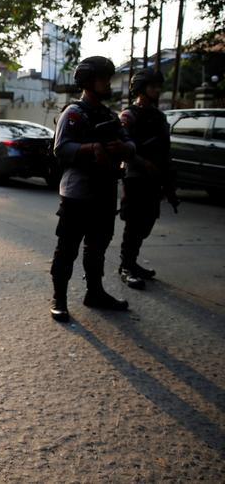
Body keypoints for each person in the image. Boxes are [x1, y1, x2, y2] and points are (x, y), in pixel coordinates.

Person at [49, 56, 135, 322]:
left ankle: (95, 292)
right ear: (88, 81)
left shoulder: (110, 116)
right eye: (103, 79)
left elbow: (130, 145)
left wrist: (122, 148)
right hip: (78, 194)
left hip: (105, 191)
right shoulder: (73, 114)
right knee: (68, 248)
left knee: (98, 247)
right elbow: (60, 148)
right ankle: (59, 299)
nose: (108, 83)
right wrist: (90, 148)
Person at [118, 69, 178, 289]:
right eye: (153, 86)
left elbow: (165, 149)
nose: (157, 90)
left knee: (147, 222)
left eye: (157, 86)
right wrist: (144, 164)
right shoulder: (129, 115)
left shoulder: (159, 116)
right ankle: (126, 266)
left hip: (155, 179)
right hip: (135, 177)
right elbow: (123, 147)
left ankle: (132, 261)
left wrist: (169, 181)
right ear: (142, 88)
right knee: (134, 223)